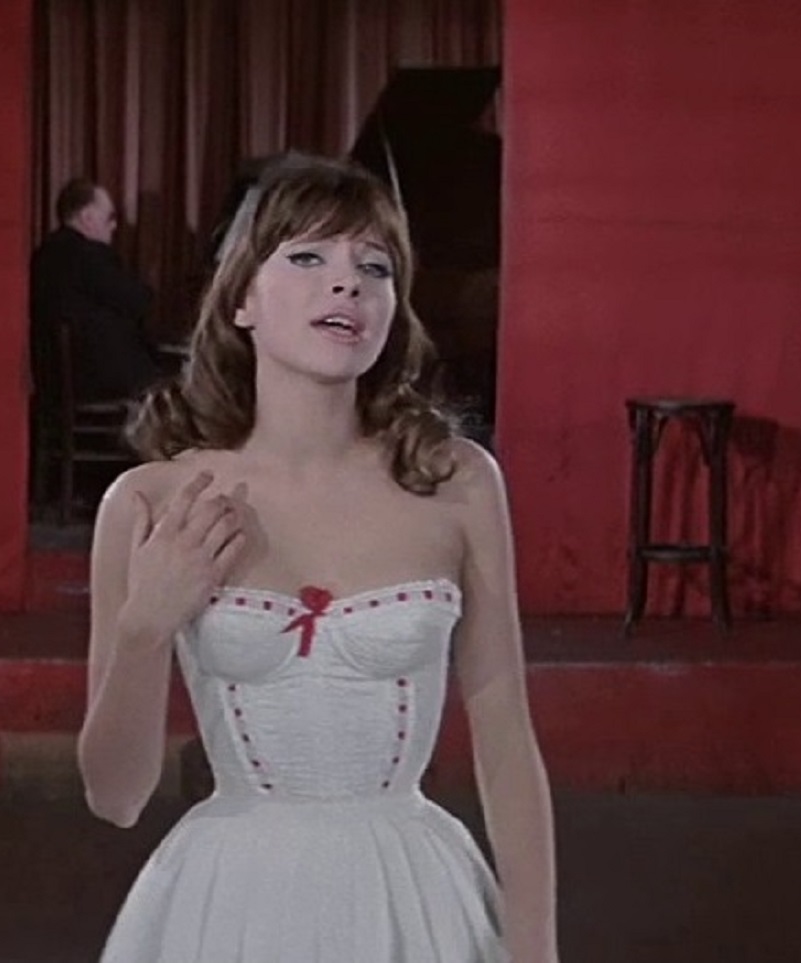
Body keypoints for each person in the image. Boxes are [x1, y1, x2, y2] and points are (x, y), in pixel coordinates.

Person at [77, 155, 558, 962]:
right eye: (308, 256)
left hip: (410, 897)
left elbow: (507, 742)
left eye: (374, 267)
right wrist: (143, 628)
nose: (347, 284)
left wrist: (538, 949)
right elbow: (115, 795)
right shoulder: (151, 502)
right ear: (242, 298)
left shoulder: (457, 483)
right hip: (230, 908)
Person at [29, 177, 160, 401]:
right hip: (101, 383)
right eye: (110, 217)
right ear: (87, 218)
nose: (114, 226)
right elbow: (139, 300)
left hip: (56, 386)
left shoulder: (43, 255)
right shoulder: (89, 256)